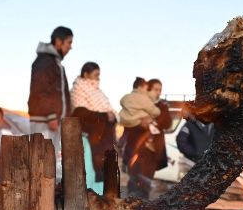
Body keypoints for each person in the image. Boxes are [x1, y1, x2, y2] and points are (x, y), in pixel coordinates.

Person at [28, 26, 73, 179]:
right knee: (41, 157)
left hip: (54, 119)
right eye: (68, 43)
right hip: (44, 120)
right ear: (58, 41)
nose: (70, 47)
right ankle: (38, 193)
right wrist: (51, 115)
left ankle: (48, 192)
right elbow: (41, 89)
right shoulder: (44, 62)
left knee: (51, 159)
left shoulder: (56, 63)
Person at [118, 78, 170, 199]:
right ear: (148, 90)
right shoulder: (137, 102)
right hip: (135, 150)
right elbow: (126, 124)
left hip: (151, 153)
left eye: (160, 90)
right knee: (134, 182)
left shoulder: (162, 105)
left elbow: (167, 123)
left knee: (145, 184)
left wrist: (153, 121)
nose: (158, 92)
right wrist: (139, 122)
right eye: (155, 89)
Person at [70, 62, 118, 194]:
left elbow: (107, 110)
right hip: (91, 137)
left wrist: (111, 117)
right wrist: (103, 115)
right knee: (90, 173)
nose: (98, 78)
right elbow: (79, 112)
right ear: (86, 74)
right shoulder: (78, 89)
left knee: (105, 173)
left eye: (99, 75)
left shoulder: (98, 91)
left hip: (103, 137)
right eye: (95, 75)